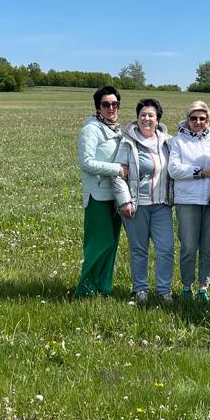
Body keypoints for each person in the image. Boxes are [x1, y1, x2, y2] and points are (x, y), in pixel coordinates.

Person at [113, 98, 174, 303]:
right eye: (142, 115)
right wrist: (124, 201)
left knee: (166, 249)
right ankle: (140, 289)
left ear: (158, 119)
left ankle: (164, 291)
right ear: (137, 118)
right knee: (139, 250)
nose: (146, 119)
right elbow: (118, 175)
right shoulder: (127, 142)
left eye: (151, 115)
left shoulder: (167, 142)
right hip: (136, 205)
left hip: (162, 205)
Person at [168, 99, 210, 302]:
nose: (198, 122)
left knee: (208, 247)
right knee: (188, 246)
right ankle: (186, 286)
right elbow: (174, 169)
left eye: (203, 118)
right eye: (194, 118)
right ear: (188, 120)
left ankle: (203, 286)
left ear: (208, 120)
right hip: (187, 201)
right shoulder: (178, 142)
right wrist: (201, 172)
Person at [74, 85, 125, 297]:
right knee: (99, 243)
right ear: (98, 108)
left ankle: (103, 287)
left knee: (112, 243)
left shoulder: (117, 130)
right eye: (106, 104)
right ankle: (86, 290)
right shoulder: (91, 130)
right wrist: (117, 169)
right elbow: (86, 163)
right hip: (97, 195)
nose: (111, 108)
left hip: (116, 195)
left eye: (115, 104)